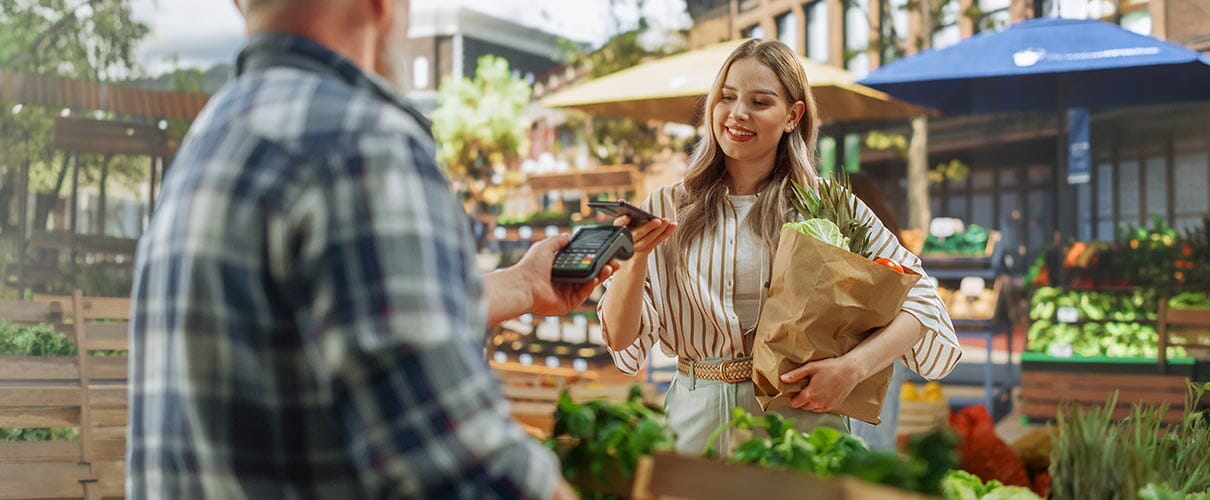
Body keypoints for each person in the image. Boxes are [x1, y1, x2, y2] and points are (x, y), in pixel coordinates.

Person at [127, 0, 611, 498]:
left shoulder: (212, 138)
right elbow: (463, 468)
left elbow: (340, 321)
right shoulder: (358, 143)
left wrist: (524, 284)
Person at [597, 39, 961, 455]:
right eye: (727, 97)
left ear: (793, 115)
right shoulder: (663, 208)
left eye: (759, 101)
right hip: (697, 427)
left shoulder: (829, 207)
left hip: (806, 422)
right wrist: (635, 256)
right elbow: (622, 337)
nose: (737, 114)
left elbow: (923, 300)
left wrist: (852, 368)